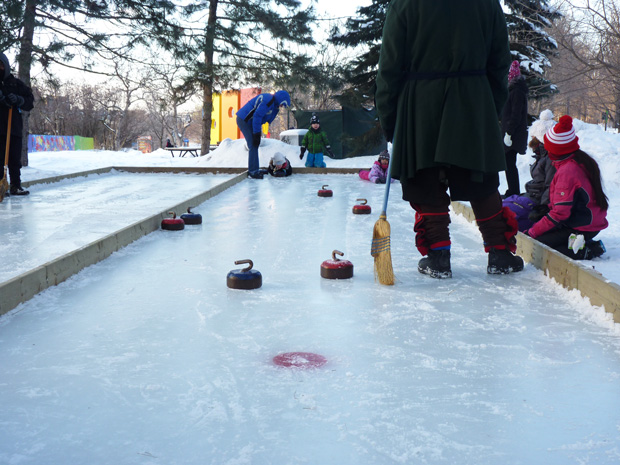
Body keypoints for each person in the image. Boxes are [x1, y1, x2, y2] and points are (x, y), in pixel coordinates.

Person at [375, 0, 524, 279]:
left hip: (419, 104)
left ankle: (439, 257)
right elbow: (500, 60)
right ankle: (500, 252)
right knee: (479, 177)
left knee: (425, 178)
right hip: (473, 98)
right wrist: (487, 105)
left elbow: (389, 67)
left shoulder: (405, 4)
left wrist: (390, 118)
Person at [524, 115, 608, 260]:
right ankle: (578, 242)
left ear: (556, 149)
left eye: (548, 147)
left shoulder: (568, 171)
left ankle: (586, 249)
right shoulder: (579, 160)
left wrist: (532, 233)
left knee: (538, 245)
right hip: (587, 220)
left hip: (582, 226)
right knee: (542, 235)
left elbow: (559, 214)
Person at [502, 135, 556, 231]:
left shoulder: (549, 158)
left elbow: (550, 186)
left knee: (507, 216)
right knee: (501, 209)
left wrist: (541, 209)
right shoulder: (542, 155)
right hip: (531, 195)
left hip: (537, 200)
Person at [0, 52, 35, 196]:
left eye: (1, 65)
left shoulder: (15, 84)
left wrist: (19, 100)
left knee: (14, 158)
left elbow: (29, 101)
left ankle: (15, 185)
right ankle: (1, 185)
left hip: (12, 127)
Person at [236, 90, 290, 179]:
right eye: (282, 104)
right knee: (253, 144)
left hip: (251, 122)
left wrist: (258, 132)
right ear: (280, 99)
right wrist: (256, 133)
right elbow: (257, 116)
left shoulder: (274, 106)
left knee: (255, 144)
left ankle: (255, 168)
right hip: (244, 120)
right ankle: (253, 171)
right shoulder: (268, 100)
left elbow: (263, 120)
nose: (281, 106)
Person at [501, 60, 529, 198]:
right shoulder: (514, 91)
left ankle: (513, 191)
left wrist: (509, 133)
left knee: (509, 164)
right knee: (509, 163)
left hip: (513, 135)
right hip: (511, 133)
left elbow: (516, 114)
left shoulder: (517, 92)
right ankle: (512, 190)